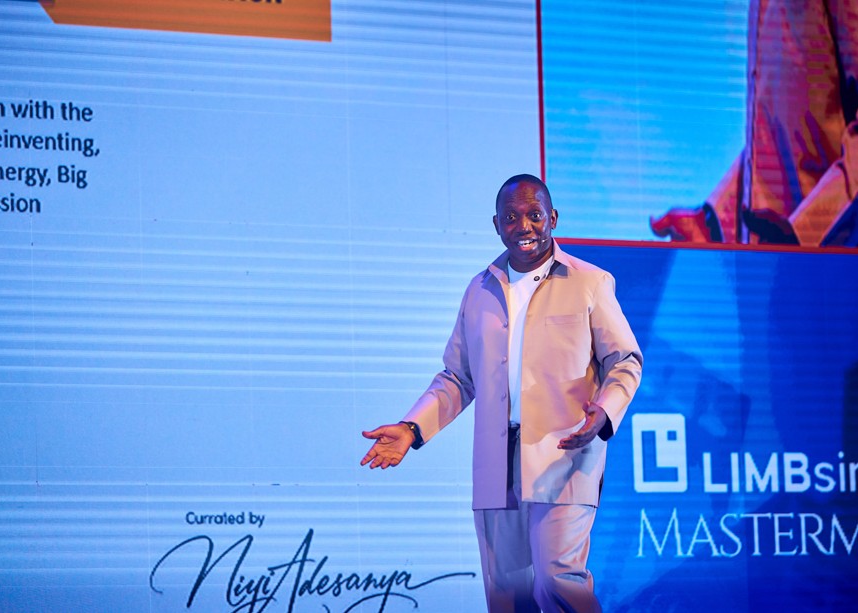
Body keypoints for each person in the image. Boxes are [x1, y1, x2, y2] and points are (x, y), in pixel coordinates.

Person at [360, 174, 643, 612]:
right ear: (497, 225)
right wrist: (411, 428)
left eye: (534, 215)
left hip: (564, 454)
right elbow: (458, 377)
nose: (524, 226)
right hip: (497, 462)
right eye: (511, 217)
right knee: (508, 596)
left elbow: (624, 360)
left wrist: (603, 413)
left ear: (553, 218)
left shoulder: (589, 282)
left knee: (558, 582)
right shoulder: (479, 290)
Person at [649, 0, 858, 246]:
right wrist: (714, 222)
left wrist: (804, 230)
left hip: (834, 258)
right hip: (785, 257)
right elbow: (782, 130)